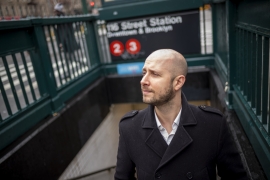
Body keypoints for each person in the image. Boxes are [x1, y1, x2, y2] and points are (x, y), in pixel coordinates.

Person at [114, 49, 248, 179]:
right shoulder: (129, 128)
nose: (143, 80)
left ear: (178, 82)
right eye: (144, 72)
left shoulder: (212, 124)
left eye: (155, 74)